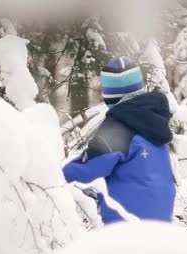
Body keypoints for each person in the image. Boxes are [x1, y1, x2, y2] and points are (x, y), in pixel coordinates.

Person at [63, 56, 176, 225]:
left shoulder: (118, 126)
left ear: (110, 97)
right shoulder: (155, 122)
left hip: (127, 223)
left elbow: (88, 168)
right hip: (162, 220)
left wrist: (58, 176)